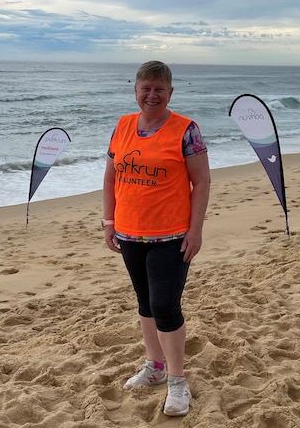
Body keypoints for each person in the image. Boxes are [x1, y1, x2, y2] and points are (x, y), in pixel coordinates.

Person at [102, 60, 211, 417]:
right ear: (135, 91)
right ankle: (156, 367)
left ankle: (178, 381)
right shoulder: (122, 126)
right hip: (129, 233)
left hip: (172, 235)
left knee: (166, 305)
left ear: (170, 93)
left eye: (159, 89)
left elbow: (202, 182)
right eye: (145, 88)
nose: (152, 95)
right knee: (145, 303)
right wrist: (109, 221)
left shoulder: (186, 130)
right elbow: (110, 179)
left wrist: (195, 230)